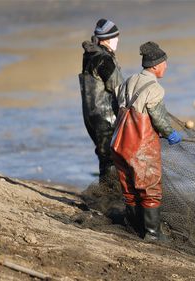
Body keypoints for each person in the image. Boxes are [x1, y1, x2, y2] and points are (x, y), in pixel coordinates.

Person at [113, 41, 182, 241]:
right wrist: (170, 134)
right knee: (150, 188)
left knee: (130, 188)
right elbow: (159, 118)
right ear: (155, 66)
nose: (166, 66)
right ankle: (152, 234)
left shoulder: (129, 80)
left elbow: (116, 102)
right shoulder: (155, 88)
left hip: (119, 143)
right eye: (164, 63)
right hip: (140, 147)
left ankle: (135, 228)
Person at [79, 18, 124, 183]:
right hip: (105, 117)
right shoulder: (104, 59)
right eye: (116, 37)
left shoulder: (90, 55)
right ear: (107, 39)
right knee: (111, 159)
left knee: (105, 156)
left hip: (90, 116)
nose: (118, 40)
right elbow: (119, 87)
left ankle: (107, 197)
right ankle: (109, 202)